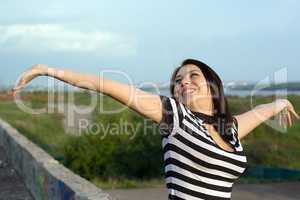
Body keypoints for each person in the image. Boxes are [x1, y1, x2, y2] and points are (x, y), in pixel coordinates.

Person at [12, 59, 299, 200]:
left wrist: (282, 102)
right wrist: (47, 70)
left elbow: (260, 112)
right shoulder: (176, 116)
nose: (183, 81)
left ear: (213, 85)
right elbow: (104, 85)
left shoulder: (229, 128)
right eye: (177, 79)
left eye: (192, 75)